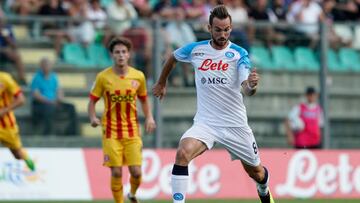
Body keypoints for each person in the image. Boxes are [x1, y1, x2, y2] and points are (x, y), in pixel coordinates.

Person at [153, 5, 275, 203]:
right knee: (182, 153)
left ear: (231, 27)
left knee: (257, 172)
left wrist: (252, 86)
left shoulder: (238, 53)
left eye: (226, 29)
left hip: (235, 124)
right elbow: (173, 58)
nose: (223, 34)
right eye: (218, 29)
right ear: (209, 28)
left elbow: (247, 88)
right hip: (206, 122)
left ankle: (264, 189)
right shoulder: (196, 49)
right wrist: (161, 82)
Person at [88, 37, 156, 203]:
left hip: (132, 130)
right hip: (110, 131)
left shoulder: (138, 76)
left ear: (129, 54)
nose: (121, 55)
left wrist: (149, 117)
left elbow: (144, 100)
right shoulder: (103, 77)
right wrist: (92, 117)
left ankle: (132, 194)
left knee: (136, 172)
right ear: (112, 54)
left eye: (124, 52)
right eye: (117, 52)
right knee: (116, 172)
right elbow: (92, 101)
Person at [30, 57, 78, 136]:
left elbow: (59, 89)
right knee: (49, 108)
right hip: (41, 104)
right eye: (45, 65)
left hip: (53, 102)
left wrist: (59, 98)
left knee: (71, 107)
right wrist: (50, 101)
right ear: (41, 66)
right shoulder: (36, 77)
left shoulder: (54, 76)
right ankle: (48, 133)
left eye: (49, 65)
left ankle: (71, 132)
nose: (47, 67)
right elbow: (36, 95)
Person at [0, 71, 35, 171]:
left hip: (7, 125)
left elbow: (21, 99)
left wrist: (4, 111)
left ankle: (30, 164)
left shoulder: (5, 79)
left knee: (17, 154)